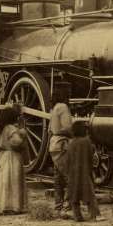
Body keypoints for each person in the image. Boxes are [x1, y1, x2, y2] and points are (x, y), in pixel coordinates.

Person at [0, 105, 30, 214]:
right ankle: (13, 206)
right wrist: (23, 133)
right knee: (13, 181)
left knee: (3, 182)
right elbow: (16, 142)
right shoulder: (11, 129)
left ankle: (2, 204)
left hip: (2, 156)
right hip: (12, 156)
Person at [65, 120, 103, 222]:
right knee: (90, 195)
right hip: (85, 173)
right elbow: (92, 158)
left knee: (74, 197)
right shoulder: (87, 142)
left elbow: (67, 160)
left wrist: (68, 173)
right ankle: (94, 215)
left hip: (73, 174)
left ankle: (77, 216)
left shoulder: (71, 144)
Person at [48, 86, 73, 214]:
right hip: (62, 143)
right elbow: (68, 127)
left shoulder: (54, 109)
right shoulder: (63, 107)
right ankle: (67, 206)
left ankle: (58, 206)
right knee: (69, 176)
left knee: (58, 178)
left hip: (53, 144)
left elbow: (50, 130)